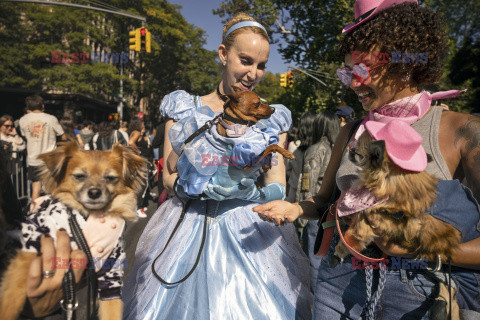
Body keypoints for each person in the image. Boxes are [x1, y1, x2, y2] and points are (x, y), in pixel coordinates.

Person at [254, 0, 480, 319]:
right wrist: (294, 208)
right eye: (349, 71)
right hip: (338, 284)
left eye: (364, 69)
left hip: (418, 298)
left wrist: (419, 246)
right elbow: (323, 200)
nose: (353, 82)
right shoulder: (350, 132)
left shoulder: (464, 132)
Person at [122, 13, 312, 319]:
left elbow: (277, 184)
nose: (253, 73)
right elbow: (168, 176)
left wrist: (248, 192)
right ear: (223, 54)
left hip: (249, 232)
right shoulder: (184, 108)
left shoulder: (271, 116)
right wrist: (194, 188)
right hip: (186, 228)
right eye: (245, 60)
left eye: (261, 65)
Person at [295, 111, 340, 290]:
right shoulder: (337, 148)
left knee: (313, 260)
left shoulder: (316, 149)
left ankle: (314, 299)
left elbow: (306, 183)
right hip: (331, 212)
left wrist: (301, 215)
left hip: (316, 213)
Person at [19, 95, 65, 203]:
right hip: (49, 159)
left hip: (33, 158)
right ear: (43, 106)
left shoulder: (23, 120)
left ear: (28, 107)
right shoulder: (51, 118)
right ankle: (51, 212)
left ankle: (34, 212)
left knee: (36, 188)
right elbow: (63, 136)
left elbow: (24, 135)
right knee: (52, 188)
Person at [128, 117, 153, 218]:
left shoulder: (135, 132)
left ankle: (137, 206)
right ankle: (139, 208)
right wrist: (138, 151)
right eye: (142, 124)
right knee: (142, 184)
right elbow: (130, 143)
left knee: (137, 184)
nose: (143, 126)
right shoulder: (137, 132)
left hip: (137, 162)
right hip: (140, 162)